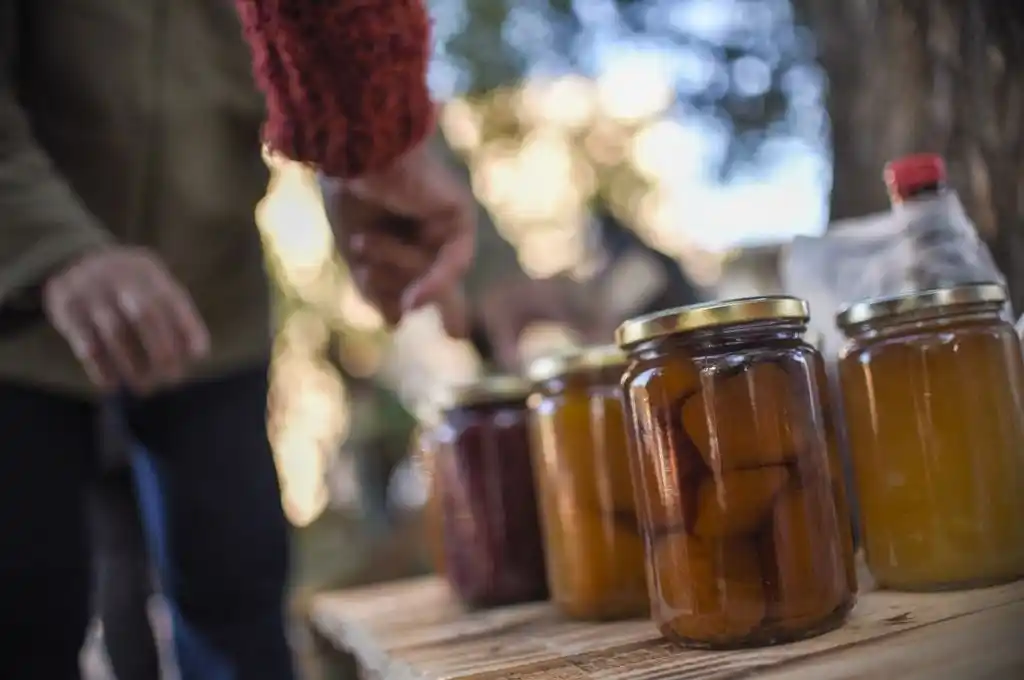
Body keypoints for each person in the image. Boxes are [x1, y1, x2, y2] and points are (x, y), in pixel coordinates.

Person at [0, 1, 483, 678]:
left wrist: (369, 142)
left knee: (240, 600)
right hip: (17, 314)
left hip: (212, 307)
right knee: (25, 611)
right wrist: (53, 249)